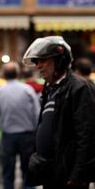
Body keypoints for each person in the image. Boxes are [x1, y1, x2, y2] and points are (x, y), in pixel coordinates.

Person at [22, 36, 95, 189]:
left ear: (59, 60)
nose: (38, 66)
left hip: (69, 177)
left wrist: (78, 175)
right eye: (36, 62)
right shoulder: (50, 88)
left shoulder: (79, 88)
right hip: (51, 173)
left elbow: (87, 135)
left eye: (43, 61)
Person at [0, 61, 40, 189]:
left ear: (4, 75)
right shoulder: (28, 90)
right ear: (18, 74)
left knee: (7, 174)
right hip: (28, 137)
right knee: (28, 173)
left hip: (8, 137)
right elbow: (37, 115)